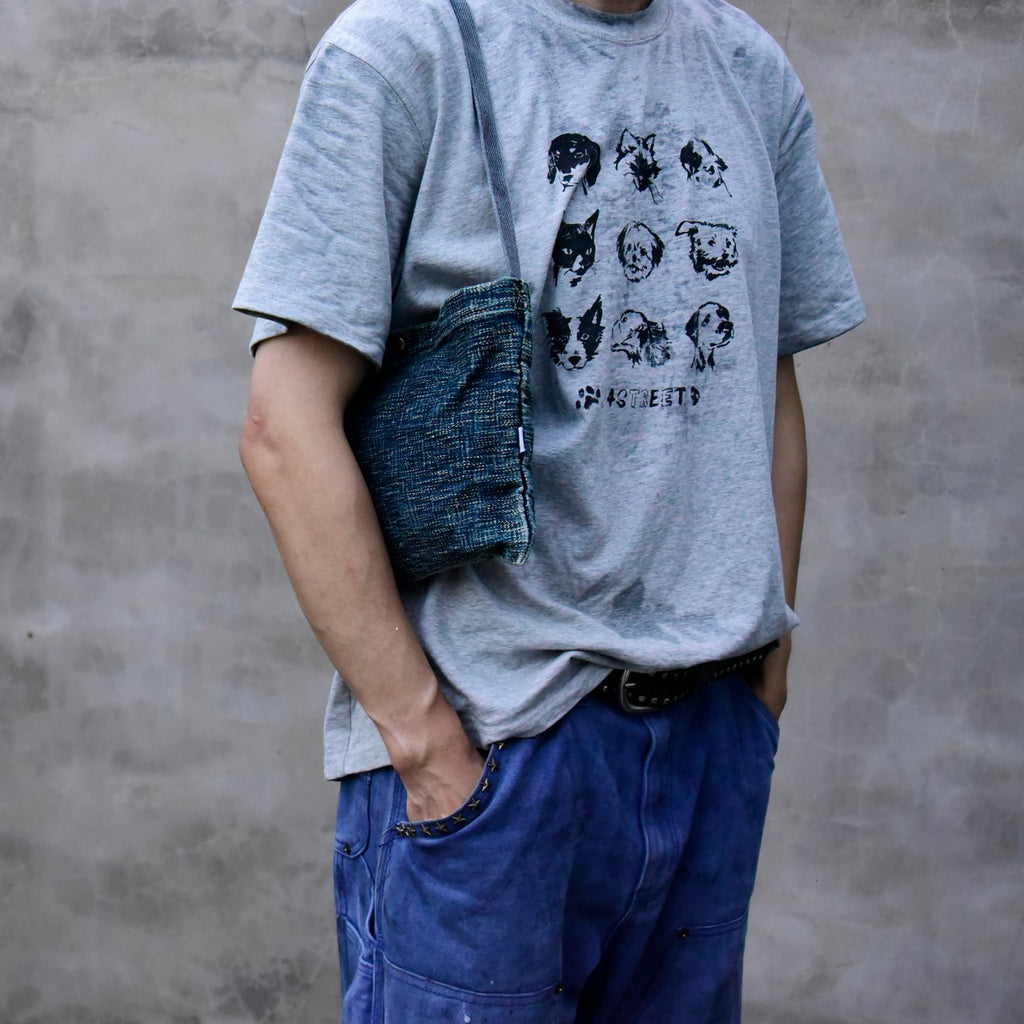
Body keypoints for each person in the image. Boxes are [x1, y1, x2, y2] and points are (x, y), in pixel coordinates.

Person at [233, 0, 865, 1019]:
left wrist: (762, 677)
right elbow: (284, 426)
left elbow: (765, 377)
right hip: (496, 745)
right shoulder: (403, 50)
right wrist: (426, 744)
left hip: (710, 736)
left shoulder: (747, 67)